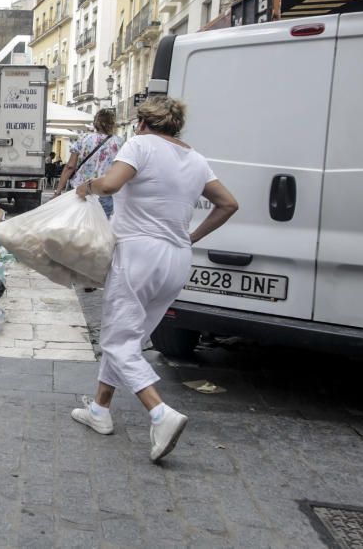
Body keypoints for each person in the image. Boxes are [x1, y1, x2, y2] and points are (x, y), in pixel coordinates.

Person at [68, 96, 239, 462]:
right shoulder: (195, 159)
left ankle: (160, 413)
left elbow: (111, 185)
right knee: (127, 335)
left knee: (117, 340)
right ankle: (99, 410)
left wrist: (87, 186)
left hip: (138, 254)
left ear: (143, 123)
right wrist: (190, 238)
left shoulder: (140, 144)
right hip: (177, 258)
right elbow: (228, 204)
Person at [56, 109, 121, 217]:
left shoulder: (84, 139)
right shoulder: (120, 142)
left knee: (76, 225)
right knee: (101, 227)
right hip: (104, 191)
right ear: (113, 123)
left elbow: (70, 166)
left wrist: (58, 191)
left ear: (96, 122)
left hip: (79, 190)